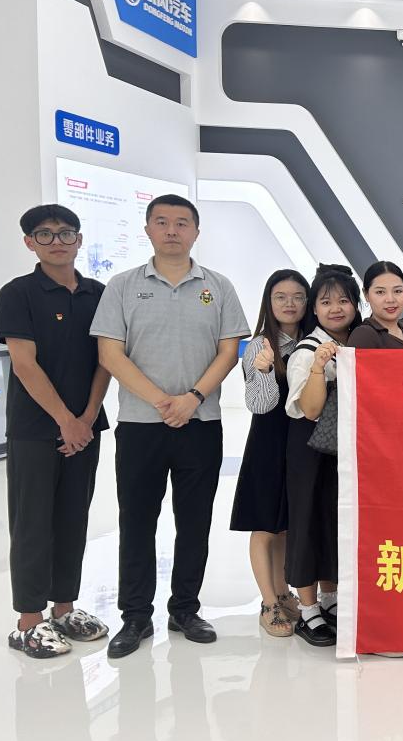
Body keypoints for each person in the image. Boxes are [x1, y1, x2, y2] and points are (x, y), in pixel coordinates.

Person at [91, 195, 249, 659]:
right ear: (147, 230)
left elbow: (228, 350)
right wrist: (163, 401)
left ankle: (185, 609)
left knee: (194, 522)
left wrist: (192, 398)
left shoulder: (217, 286)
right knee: (136, 521)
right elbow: (110, 354)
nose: (172, 230)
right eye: (161, 222)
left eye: (182, 223)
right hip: (141, 425)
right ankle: (135, 616)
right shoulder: (122, 285)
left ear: (196, 232)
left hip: (201, 423)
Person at [0, 204, 111, 658]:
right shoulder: (18, 293)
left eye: (65, 233)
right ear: (30, 243)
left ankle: (64, 609)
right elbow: (24, 364)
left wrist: (87, 417)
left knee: (72, 518)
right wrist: (66, 420)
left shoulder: (99, 293)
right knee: (32, 523)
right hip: (34, 429)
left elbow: (107, 360)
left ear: (80, 240)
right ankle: (29, 621)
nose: (56, 241)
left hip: (86, 426)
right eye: (44, 234)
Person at [229, 269, 311, 638]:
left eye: (297, 296)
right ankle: (268, 603)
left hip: (301, 445)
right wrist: (263, 371)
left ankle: (283, 592)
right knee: (264, 526)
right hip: (267, 444)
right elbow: (260, 405)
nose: (289, 303)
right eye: (281, 297)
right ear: (269, 302)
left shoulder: (314, 342)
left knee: (286, 527)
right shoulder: (258, 346)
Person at [285, 264, 361, 647]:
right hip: (309, 450)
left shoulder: (359, 342)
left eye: (343, 300)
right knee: (306, 524)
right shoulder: (307, 351)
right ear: (314, 308)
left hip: (341, 451)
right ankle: (308, 610)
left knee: (333, 522)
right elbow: (311, 409)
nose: (335, 308)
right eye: (326, 302)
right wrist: (318, 367)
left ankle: (330, 600)